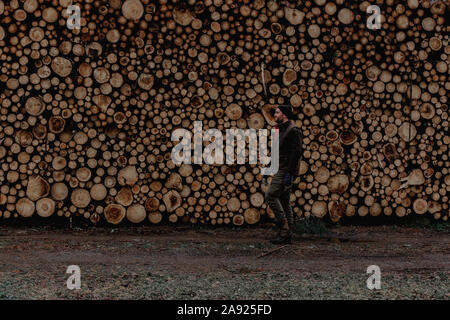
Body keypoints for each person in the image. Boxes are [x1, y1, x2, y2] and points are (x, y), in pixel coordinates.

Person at [265, 105, 302, 245]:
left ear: (285, 114)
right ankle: (288, 234)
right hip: (279, 168)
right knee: (284, 200)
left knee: (270, 196)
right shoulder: (279, 130)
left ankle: (284, 229)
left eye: (278, 112)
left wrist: (289, 174)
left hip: (285, 170)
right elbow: (275, 152)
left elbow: (296, 153)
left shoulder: (293, 131)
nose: (275, 114)